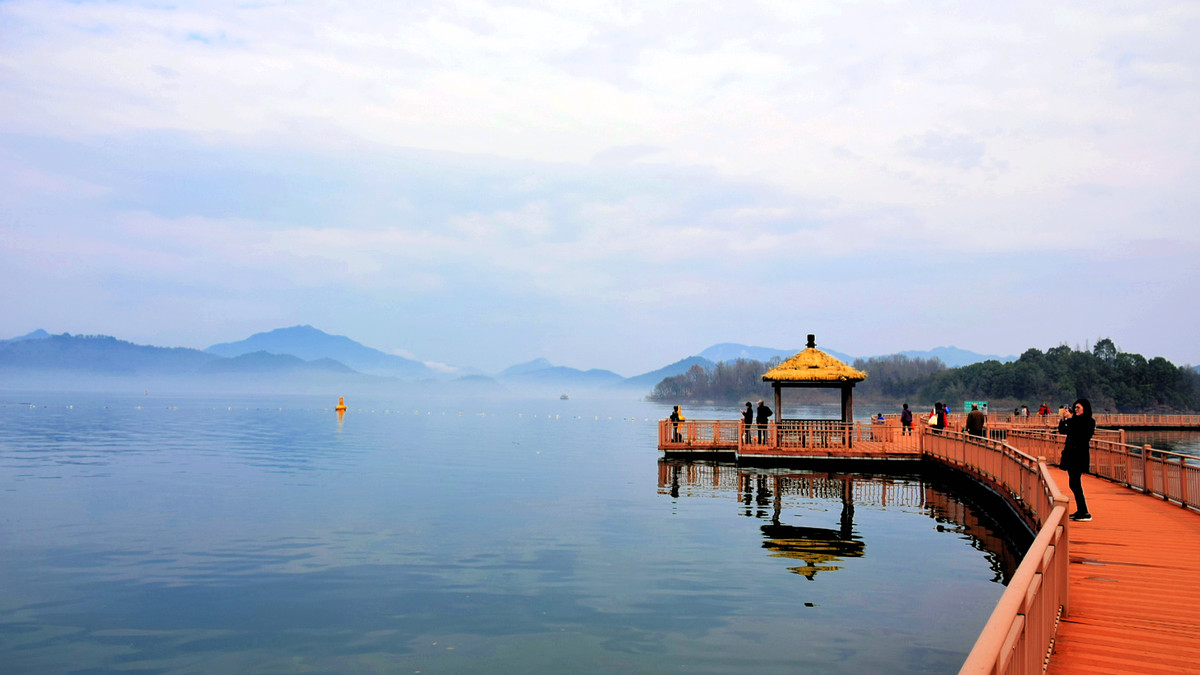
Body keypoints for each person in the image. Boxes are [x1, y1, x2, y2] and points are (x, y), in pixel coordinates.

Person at [1060, 398, 1095, 522]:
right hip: (1070, 454)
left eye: (1078, 407)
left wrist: (1070, 419)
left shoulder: (1089, 422)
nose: (1076, 410)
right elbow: (1063, 431)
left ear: (1085, 408)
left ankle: (1084, 512)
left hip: (1079, 456)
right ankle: (1081, 510)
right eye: (1075, 408)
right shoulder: (1074, 420)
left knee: (1075, 483)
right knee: (1074, 483)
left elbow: (1081, 433)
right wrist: (1063, 419)